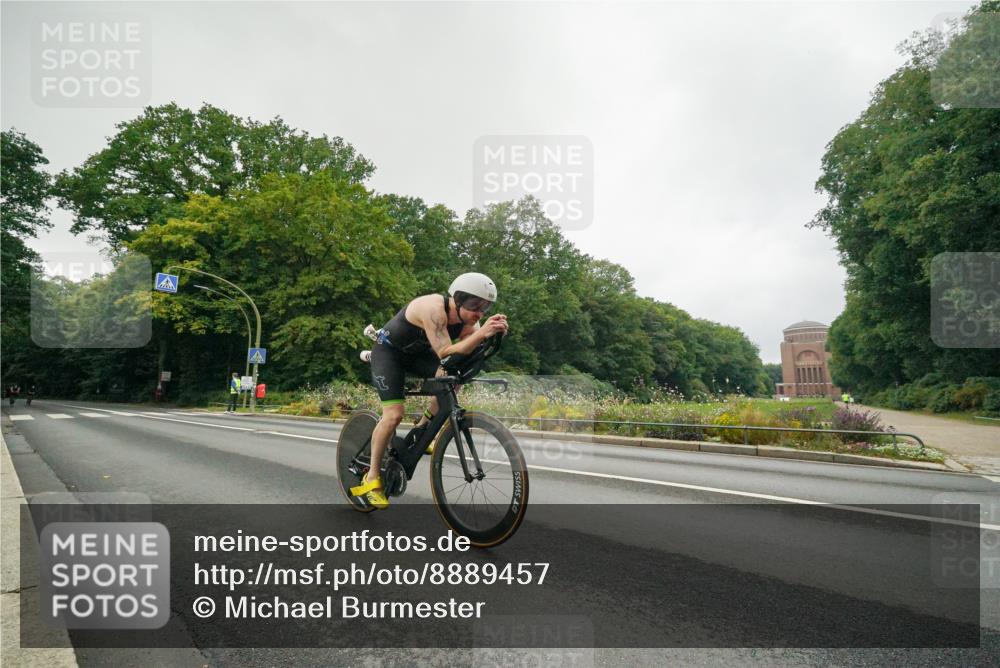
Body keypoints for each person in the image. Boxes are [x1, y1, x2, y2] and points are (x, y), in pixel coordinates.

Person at [354, 272, 508, 509]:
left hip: (419, 356)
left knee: (449, 379)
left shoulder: (470, 324)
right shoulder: (433, 309)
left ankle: (421, 430)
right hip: (389, 354)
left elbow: (462, 358)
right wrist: (481, 333)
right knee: (394, 414)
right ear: (457, 299)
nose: (479, 313)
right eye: (474, 305)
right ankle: (372, 476)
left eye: (485, 308)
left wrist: (490, 337)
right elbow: (447, 352)